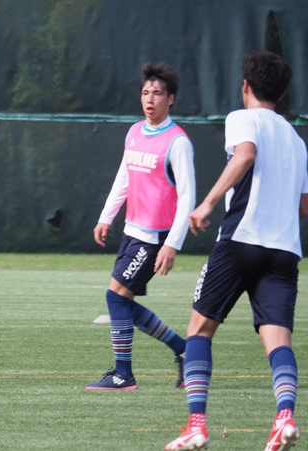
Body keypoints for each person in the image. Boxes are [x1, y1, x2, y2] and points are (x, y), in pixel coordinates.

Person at [165, 51, 305, 451]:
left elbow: (245, 154)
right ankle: (284, 417)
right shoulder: (297, 141)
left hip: (241, 241)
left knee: (199, 330)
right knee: (278, 342)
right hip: (284, 251)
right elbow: (303, 207)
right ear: (282, 93)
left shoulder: (243, 118)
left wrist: (207, 203)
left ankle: (196, 425)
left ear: (245, 86)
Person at [86, 62, 195, 391]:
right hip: (132, 232)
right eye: (146, 92)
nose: (150, 99)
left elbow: (188, 198)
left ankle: (123, 374)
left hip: (154, 238)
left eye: (158, 93)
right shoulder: (134, 132)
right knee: (122, 301)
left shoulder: (177, 142)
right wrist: (106, 216)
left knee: (115, 298)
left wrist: (172, 244)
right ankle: (183, 350)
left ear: (170, 99)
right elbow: (124, 177)